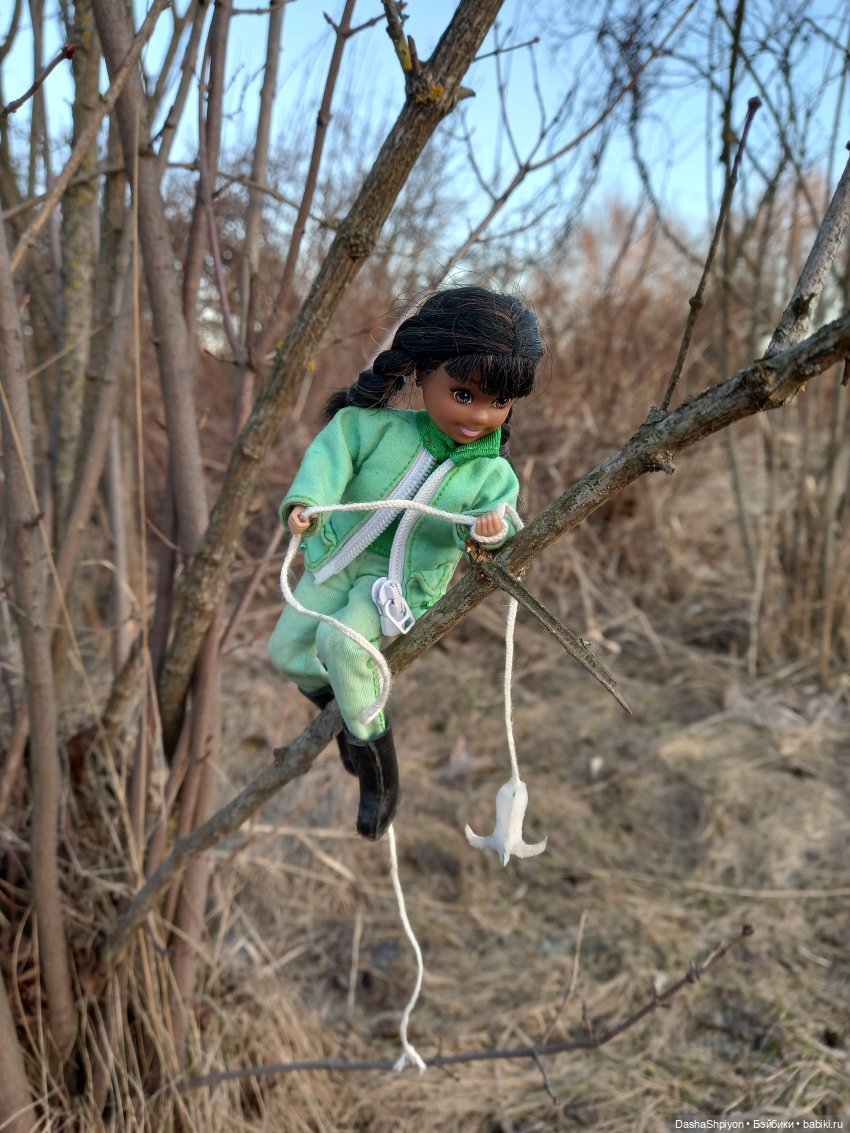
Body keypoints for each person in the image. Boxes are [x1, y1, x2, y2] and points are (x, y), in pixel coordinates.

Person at [269, 286, 544, 840]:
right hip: (336, 560)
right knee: (287, 652)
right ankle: (350, 715)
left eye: (500, 403)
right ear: (421, 375)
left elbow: (500, 529)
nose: (482, 416)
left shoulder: (491, 478)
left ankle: (378, 769)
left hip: (393, 584)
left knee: (344, 644)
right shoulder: (372, 429)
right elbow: (332, 453)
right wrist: (306, 503)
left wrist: (489, 533)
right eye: (463, 395)